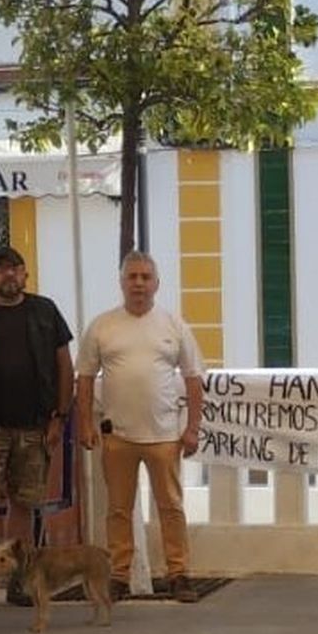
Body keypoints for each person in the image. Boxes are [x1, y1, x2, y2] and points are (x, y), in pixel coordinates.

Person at [76, 252, 205, 603]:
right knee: (118, 509)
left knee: (171, 508)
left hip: (165, 435)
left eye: (145, 277)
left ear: (157, 284)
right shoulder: (102, 326)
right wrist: (85, 423)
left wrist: (192, 428)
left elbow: (194, 380)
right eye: (132, 277)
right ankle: (118, 575)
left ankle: (178, 574)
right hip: (117, 435)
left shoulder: (174, 326)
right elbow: (85, 379)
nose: (138, 283)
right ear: (121, 282)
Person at [0, 246, 74, 612]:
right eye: (1, 269)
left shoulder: (45, 311)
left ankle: (19, 582)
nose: (9, 275)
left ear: (25, 274)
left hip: (34, 425)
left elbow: (64, 365)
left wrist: (59, 416)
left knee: (25, 504)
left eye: (16, 269)